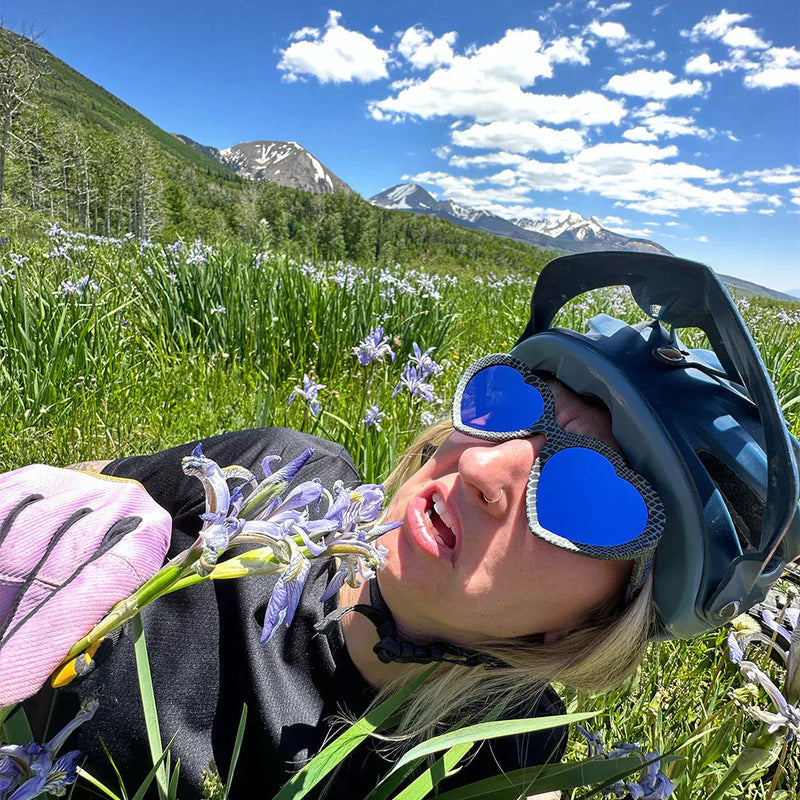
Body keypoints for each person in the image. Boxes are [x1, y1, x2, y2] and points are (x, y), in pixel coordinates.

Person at [2, 251, 799, 798]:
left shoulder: (506, 767)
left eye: (588, 495)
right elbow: (84, 483)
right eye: (511, 405)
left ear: (596, 625)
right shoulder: (283, 475)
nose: (485, 468)